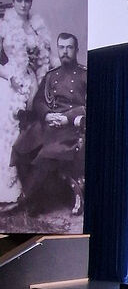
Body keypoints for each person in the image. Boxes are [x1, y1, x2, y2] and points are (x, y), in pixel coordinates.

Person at [11, 32, 84, 216]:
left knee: (47, 154)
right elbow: (38, 101)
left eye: (69, 47)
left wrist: (68, 118)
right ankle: (36, 200)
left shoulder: (85, 75)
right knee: (20, 147)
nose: (65, 51)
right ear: (58, 49)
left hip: (70, 128)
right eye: (61, 47)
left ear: (76, 50)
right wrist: (47, 115)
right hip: (49, 123)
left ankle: (26, 199)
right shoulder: (52, 75)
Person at [0, 0, 54, 207]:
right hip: (10, 81)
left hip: (32, 82)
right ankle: (7, 188)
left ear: (31, 2)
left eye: (27, 1)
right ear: (13, 2)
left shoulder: (36, 26)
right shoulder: (4, 26)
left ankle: (29, 190)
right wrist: (10, 77)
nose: (23, 5)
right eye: (19, 0)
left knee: (30, 133)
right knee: (9, 131)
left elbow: (46, 57)